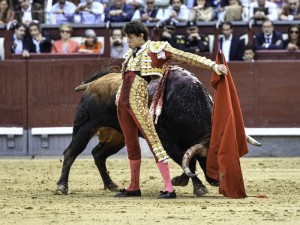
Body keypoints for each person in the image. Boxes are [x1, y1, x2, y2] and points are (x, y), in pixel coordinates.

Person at [114, 21, 227, 199]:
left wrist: (213, 66)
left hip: (138, 99)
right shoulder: (129, 54)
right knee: (131, 144)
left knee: (154, 143)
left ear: (140, 36)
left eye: (130, 37)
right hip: (122, 102)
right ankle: (133, 186)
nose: (127, 41)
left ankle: (169, 188)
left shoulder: (157, 48)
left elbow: (187, 57)